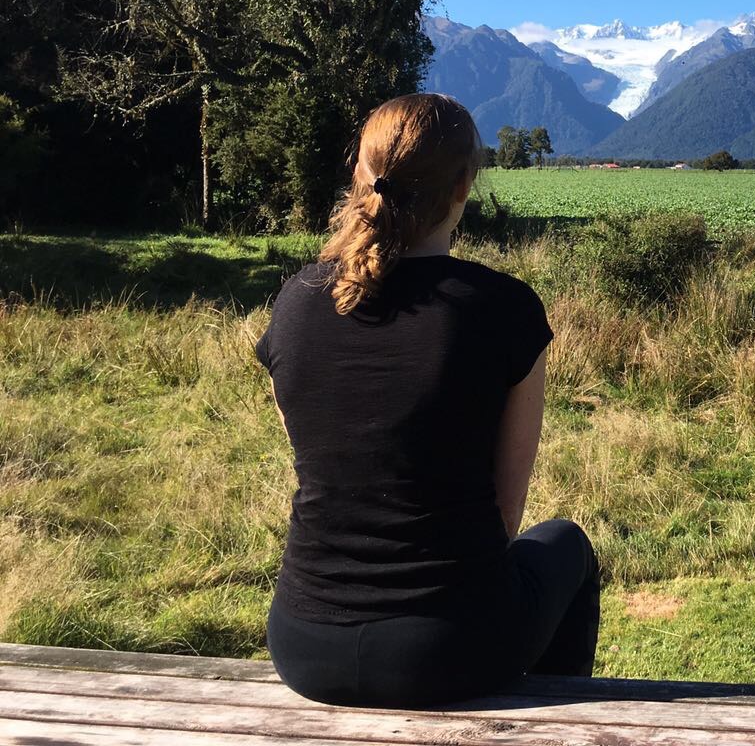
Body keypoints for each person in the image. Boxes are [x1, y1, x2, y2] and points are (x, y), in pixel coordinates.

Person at [254, 92, 599, 707]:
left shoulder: (295, 303)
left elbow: (320, 466)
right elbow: (504, 519)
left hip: (304, 646)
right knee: (566, 544)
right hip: (450, 649)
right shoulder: (503, 309)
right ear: (463, 187)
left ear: (359, 174)